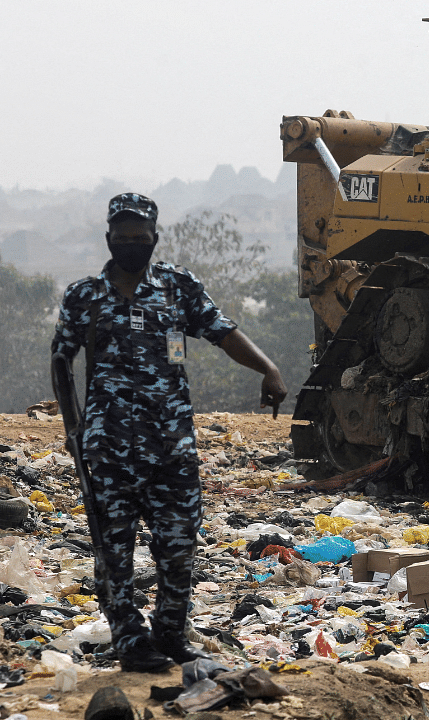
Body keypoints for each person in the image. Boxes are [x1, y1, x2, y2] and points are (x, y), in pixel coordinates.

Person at [50, 193, 288, 672]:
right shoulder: (84, 296)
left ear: (155, 239)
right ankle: (130, 641)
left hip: (171, 446)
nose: (131, 246)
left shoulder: (178, 286)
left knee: (179, 545)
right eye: (122, 239)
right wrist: (74, 426)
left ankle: (171, 632)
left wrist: (269, 369)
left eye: (140, 239)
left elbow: (222, 333)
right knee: (112, 549)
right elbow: (61, 359)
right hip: (108, 447)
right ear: (109, 240)